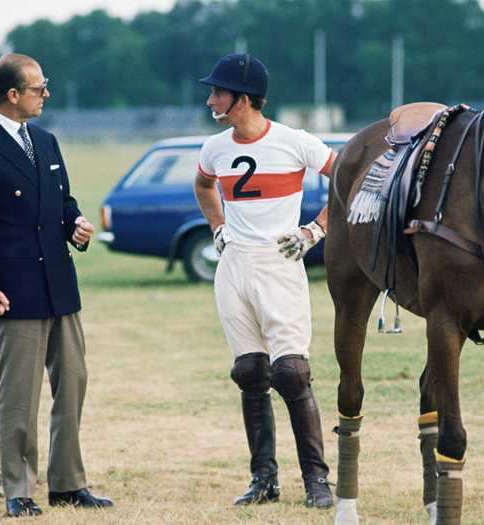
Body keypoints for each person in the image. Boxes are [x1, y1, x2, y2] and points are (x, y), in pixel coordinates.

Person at [0, 53, 112, 518]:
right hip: (14, 292)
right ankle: (18, 490)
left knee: (74, 383)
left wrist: (75, 223)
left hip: (60, 286)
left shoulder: (46, 141)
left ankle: (68, 483)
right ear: (13, 94)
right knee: (20, 396)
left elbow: (62, 201)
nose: (47, 94)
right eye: (39, 88)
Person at [194, 53, 336, 509]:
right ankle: (264, 480)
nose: (211, 97)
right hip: (234, 264)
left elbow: (349, 178)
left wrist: (315, 230)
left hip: (280, 261)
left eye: (218, 91)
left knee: (291, 373)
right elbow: (202, 185)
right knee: (250, 371)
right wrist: (218, 227)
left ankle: (317, 481)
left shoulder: (295, 142)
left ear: (243, 98)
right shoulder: (214, 147)